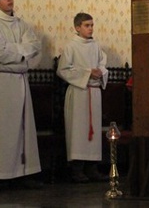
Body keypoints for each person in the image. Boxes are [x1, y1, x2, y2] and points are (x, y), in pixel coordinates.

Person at [0, 0, 43, 193]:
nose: (9, 0)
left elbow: (34, 46)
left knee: (22, 130)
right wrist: (21, 52)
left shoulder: (21, 24)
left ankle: (21, 173)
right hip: (0, 83)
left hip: (19, 81)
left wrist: (14, 50)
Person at [56, 12, 108, 183]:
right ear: (77, 27)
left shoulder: (96, 46)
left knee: (92, 131)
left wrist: (101, 72)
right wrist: (87, 74)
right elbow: (62, 70)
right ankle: (77, 169)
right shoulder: (71, 46)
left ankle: (92, 168)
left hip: (94, 92)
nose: (90, 28)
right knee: (79, 130)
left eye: (92, 25)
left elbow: (102, 64)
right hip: (79, 93)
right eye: (87, 25)